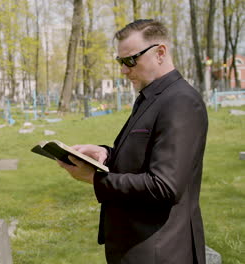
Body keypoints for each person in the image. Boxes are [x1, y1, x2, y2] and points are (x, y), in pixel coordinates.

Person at [58, 19, 208, 264]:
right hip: (135, 247)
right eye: (120, 61)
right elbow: (145, 158)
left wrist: (94, 178)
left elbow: (165, 186)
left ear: (160, 53)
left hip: (160, 251)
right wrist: (105, 154)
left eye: (130, 60)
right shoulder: (151, 97)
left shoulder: (180, 101)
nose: (124, 70)